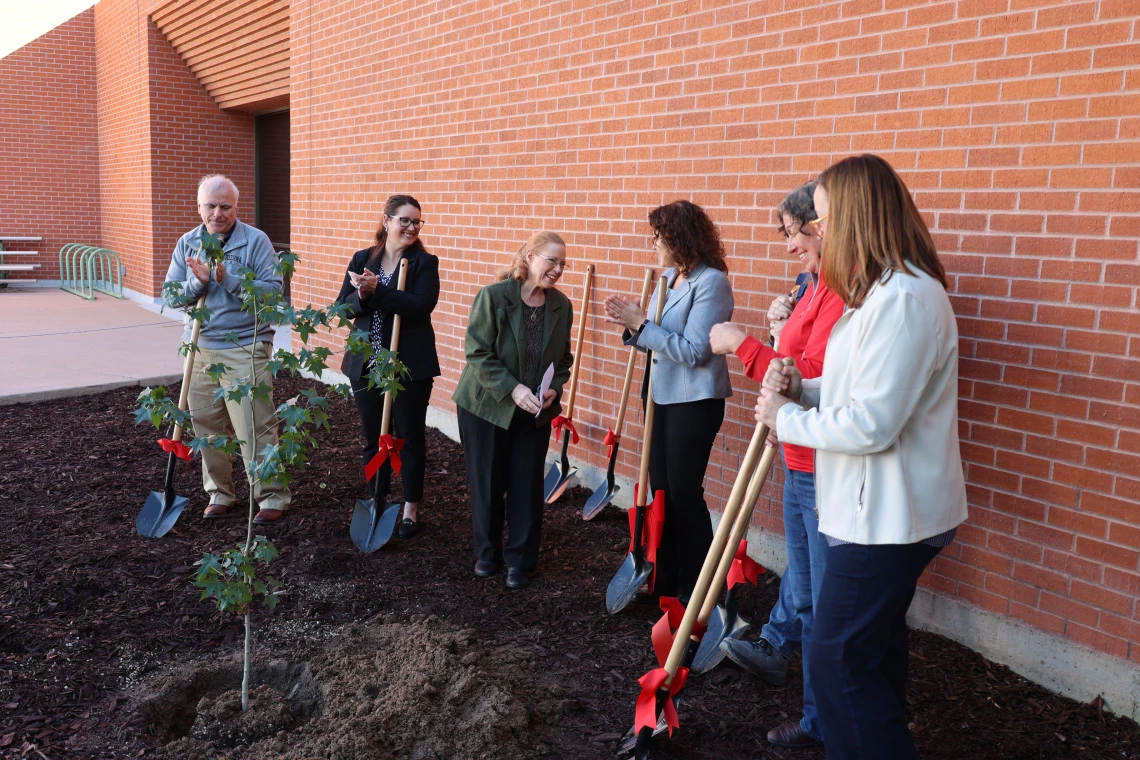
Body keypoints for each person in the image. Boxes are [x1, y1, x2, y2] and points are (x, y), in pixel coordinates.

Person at [755, 154, 968, 760]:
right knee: (866, 655)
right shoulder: (879, 294)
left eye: (820, 219)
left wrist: (786, 416)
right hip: (877, 510)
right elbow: (865, 391)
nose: (814, 232)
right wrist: (806, 390)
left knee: (837, 659)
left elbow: (874, 423)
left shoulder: (902, 299)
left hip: (890, 518)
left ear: (856, 216)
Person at [707, 181, 846, 749]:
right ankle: (816, 716)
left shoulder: (841, 294)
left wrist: (744, 343)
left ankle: (827, 721)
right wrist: (777, 326)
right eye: (789, 234)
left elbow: (810, 374)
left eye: (799, 232)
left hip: (820, 461)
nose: (791, 246)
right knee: (809, 597)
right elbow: (792, 364)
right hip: (796, 452)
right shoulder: (813, 286)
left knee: (824, 606)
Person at [603, 200, 733, 602]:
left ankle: (701, 587)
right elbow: (658, 342)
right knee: (660, 488)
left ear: (679, 236)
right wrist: (634, 329)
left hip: (693, 401)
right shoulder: (669, 277)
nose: (654, 242)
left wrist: (640, 324)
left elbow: (695, 351)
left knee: (683, 491)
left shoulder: (711, 282)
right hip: (659, 394)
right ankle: (666, 576)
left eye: (659, 235)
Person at [162, 174, 291, 523]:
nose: (218, 213)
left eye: (225, 206)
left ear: (236, 206)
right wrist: (196, 282)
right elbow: (170, 295)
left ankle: (271, 498)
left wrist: (226, 279)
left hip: (244, 346)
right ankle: (220, 493)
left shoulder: (255, 241)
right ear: (199, 206)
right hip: (200, 348)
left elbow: (270, 293)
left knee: (254, 425)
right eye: (210, 206)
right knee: (207, 426)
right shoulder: (188, 242)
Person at [452, 232, 575, 590]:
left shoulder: (561, 306)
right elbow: (477, 352)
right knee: (487, 481)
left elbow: (564, 359)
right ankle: (487, 553)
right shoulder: (494, 296)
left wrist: (554, 388)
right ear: (531, 256)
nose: (558, 269)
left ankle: (520, 560)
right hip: (485, 407)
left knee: (526, 484)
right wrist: (513, 388)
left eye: (563, 263)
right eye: (552, 260)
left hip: (533, 412)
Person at [336, 195, 440, 538]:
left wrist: (378, 290)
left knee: (409, 437)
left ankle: (411, 504)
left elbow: (421, 306)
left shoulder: (424, 262)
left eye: (416, 222)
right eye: (404, 220)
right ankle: (376, 497)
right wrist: (362, 296)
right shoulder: (363, 259)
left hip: (409, 366)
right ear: (387, 220)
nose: (411, 227)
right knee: (373, 436)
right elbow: (342, 309)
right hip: (367, 364)